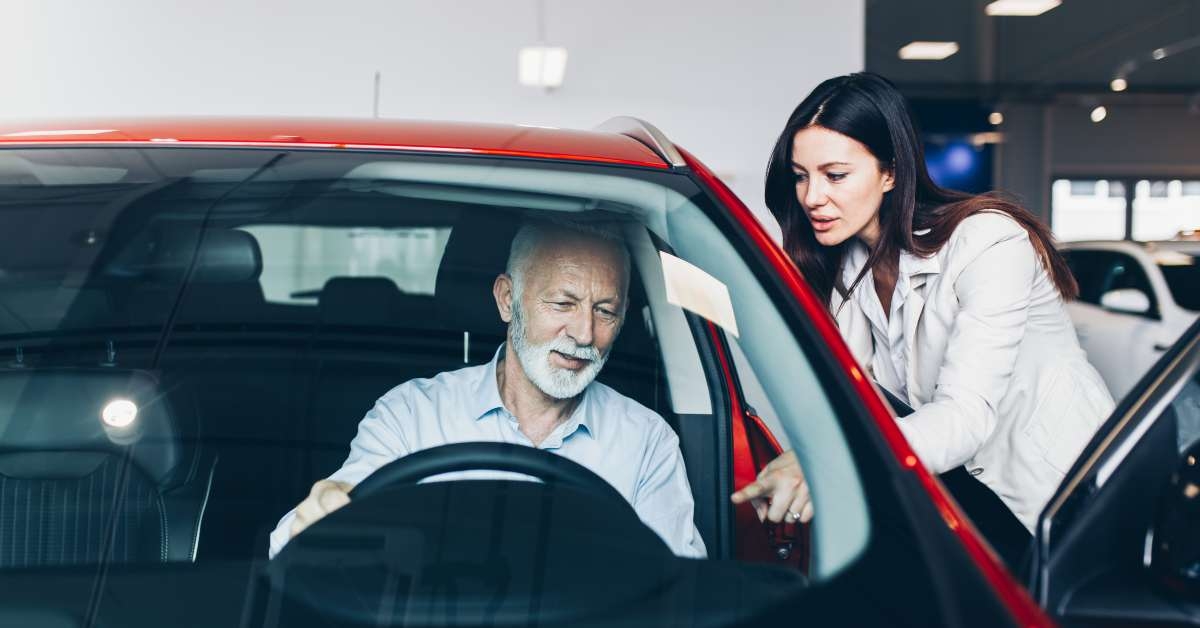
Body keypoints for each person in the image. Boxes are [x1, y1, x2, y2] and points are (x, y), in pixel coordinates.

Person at [732, 72, 1114, 535]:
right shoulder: (844, 266)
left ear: (890, 172)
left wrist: (830, 461)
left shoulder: (989, 240)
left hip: (1057, 497)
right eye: (800, 177)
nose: (813, 197)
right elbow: (854, 407)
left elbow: (965, 414)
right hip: (961, 500)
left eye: (835, 175)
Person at [269, 220, 706, 559]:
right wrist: (319, 521)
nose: (584, 333)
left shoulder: (646, 441)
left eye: (605, 311)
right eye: (562, 304)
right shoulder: (413, 415)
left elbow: (679, 593)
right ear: (505, 299)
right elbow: (311, 534)